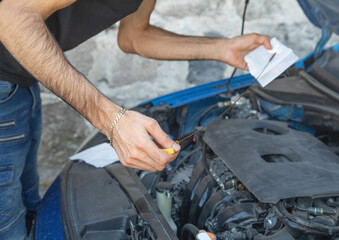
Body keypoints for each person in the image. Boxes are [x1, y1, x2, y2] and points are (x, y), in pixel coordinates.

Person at [0, 0, 272, 238]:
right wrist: (112, 121)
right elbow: (12, 16)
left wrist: (222, 48)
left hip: (18, 82)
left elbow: (134, 36)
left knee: (24, 209)